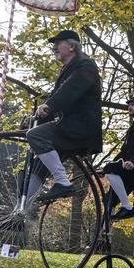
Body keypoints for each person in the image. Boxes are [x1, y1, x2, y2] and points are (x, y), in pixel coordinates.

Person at [21, 30, 103, 208]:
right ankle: (19, 215)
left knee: (36, 136)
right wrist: (36, 117)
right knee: (38, 167)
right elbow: (57, 100)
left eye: (58, 43)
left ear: (72, 46)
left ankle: (63, 182)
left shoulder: (85, 66)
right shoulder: (67, 70)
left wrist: (49, 105)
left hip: (80, 128)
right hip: (68, 128)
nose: (54, 48)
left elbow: (71, 91)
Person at [101, 95, 134, 221]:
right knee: (109, 199)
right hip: (129, 168)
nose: (129, 107)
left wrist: (133, 162)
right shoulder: (133, 128)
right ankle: (104, 233)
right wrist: (107, 167)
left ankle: (128, 208)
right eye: (129, 105)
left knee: (110, 169)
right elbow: (123, 152)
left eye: (133, 104)